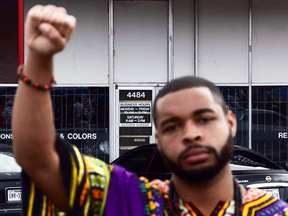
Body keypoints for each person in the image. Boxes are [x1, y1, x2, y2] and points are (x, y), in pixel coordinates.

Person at [12, 5, 288, 216]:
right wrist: (39, 59)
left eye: (204, 119)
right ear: (158, 139)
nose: (190, 134)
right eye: (172, 126)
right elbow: (39, 159)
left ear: (230, 123)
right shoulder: (133, 201)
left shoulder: (273, 212)